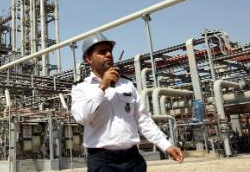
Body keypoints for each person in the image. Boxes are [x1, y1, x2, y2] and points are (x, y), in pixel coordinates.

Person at [71, 32, 184, 172]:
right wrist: (102, 87)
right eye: (102, 52)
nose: (108, 54)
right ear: (89, 59)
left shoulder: (127, 84)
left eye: (109, 51)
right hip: (103, 162)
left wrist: (166, 145)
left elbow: (143, 120)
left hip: (133, 159)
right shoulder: (81, 88)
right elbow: (82, 118)